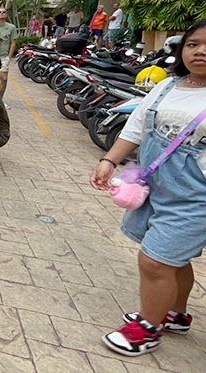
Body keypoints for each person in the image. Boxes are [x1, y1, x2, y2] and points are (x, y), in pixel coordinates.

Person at [90, 19, 206, 357]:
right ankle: (175, 314)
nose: (200, 51)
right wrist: (109, 161)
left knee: (154, 262)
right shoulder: (168, 86)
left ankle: (148, 328)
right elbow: (136, 127)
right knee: (173, 259)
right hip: (155, 187)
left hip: (195, 196)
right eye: (193, 44)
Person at [0, 7, 18, 104]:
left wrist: (9, 56)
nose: (2, 13)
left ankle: (0, 99)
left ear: (6, 15)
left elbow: (13, 42)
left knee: (4, 79)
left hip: (4, 57)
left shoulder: (11, 27)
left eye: (4, 12)